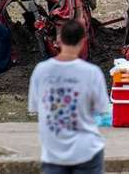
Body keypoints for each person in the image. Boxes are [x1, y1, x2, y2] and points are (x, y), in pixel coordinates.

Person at [29, 19, 109, 174]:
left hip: (53, 153)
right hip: (87, 151)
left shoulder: (41, 70)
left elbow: (36, 107)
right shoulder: (93, 72)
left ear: (58, 40)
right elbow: (102, 109)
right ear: (83, 40)